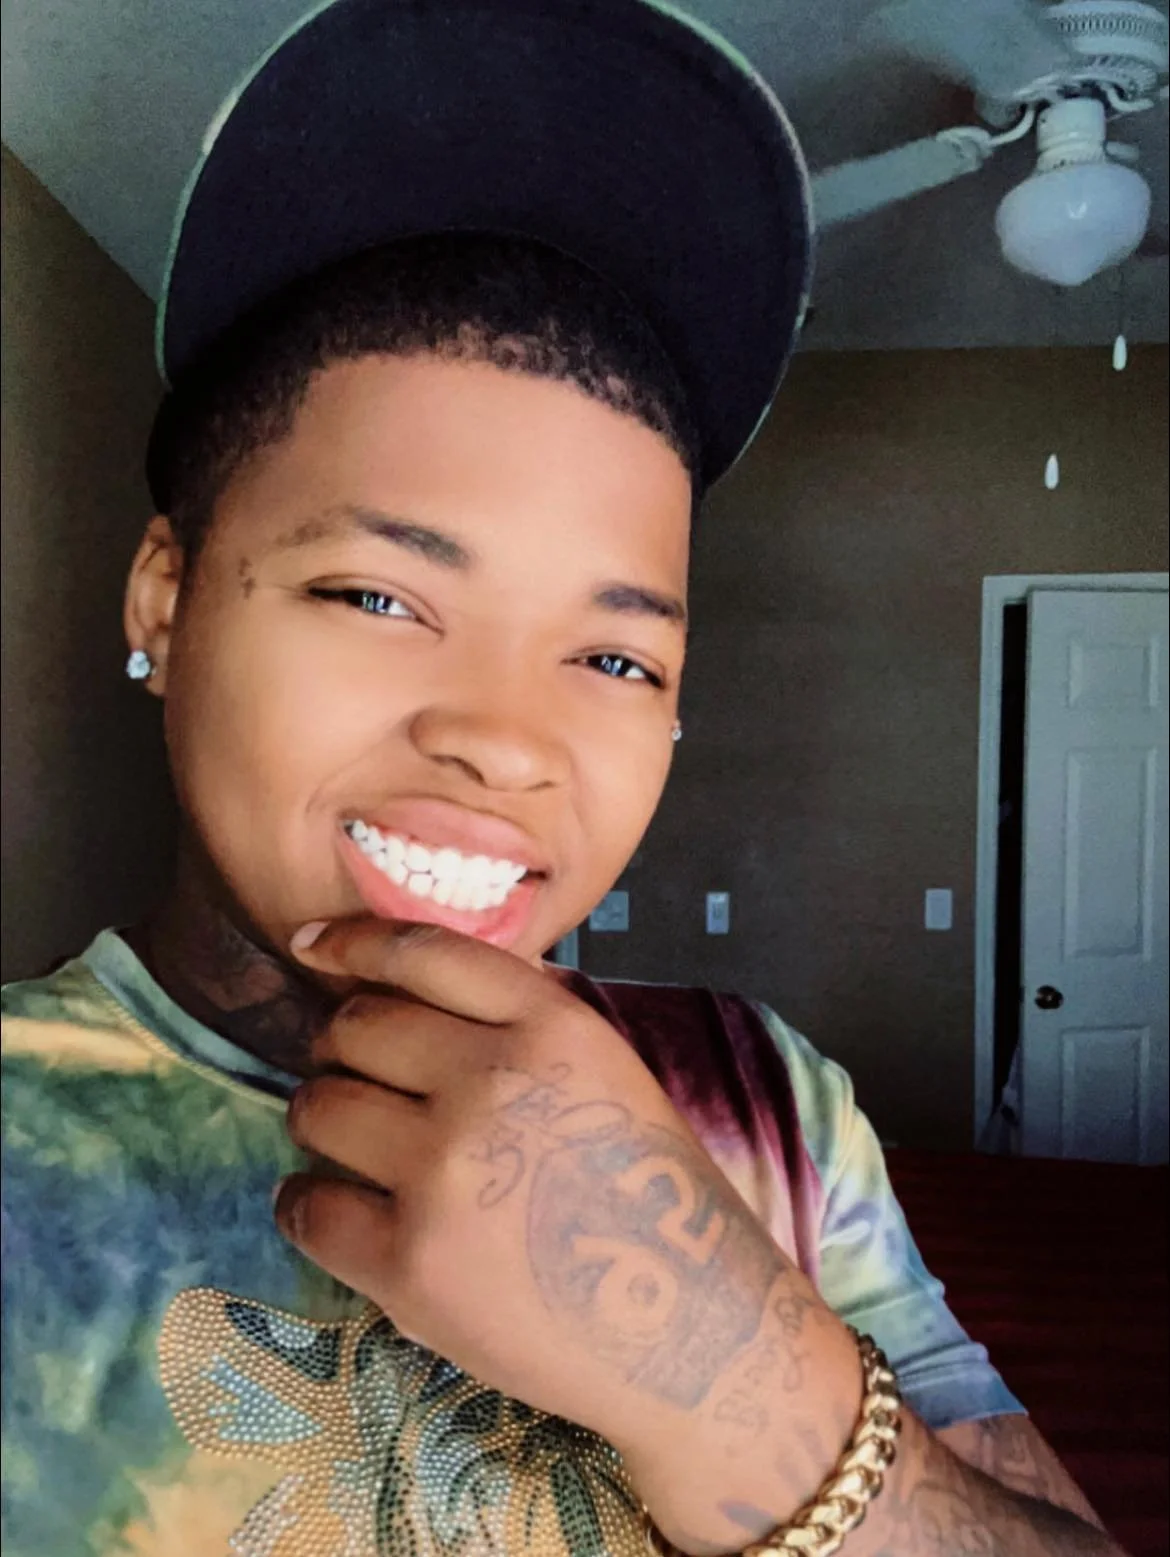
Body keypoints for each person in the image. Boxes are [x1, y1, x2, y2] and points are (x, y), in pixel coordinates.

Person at [0, 1, 1119, 1554]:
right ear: (163, 601)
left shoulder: (763, 1100)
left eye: (613, 659)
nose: (509, 741)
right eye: (378, 597)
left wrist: (732, 1368)